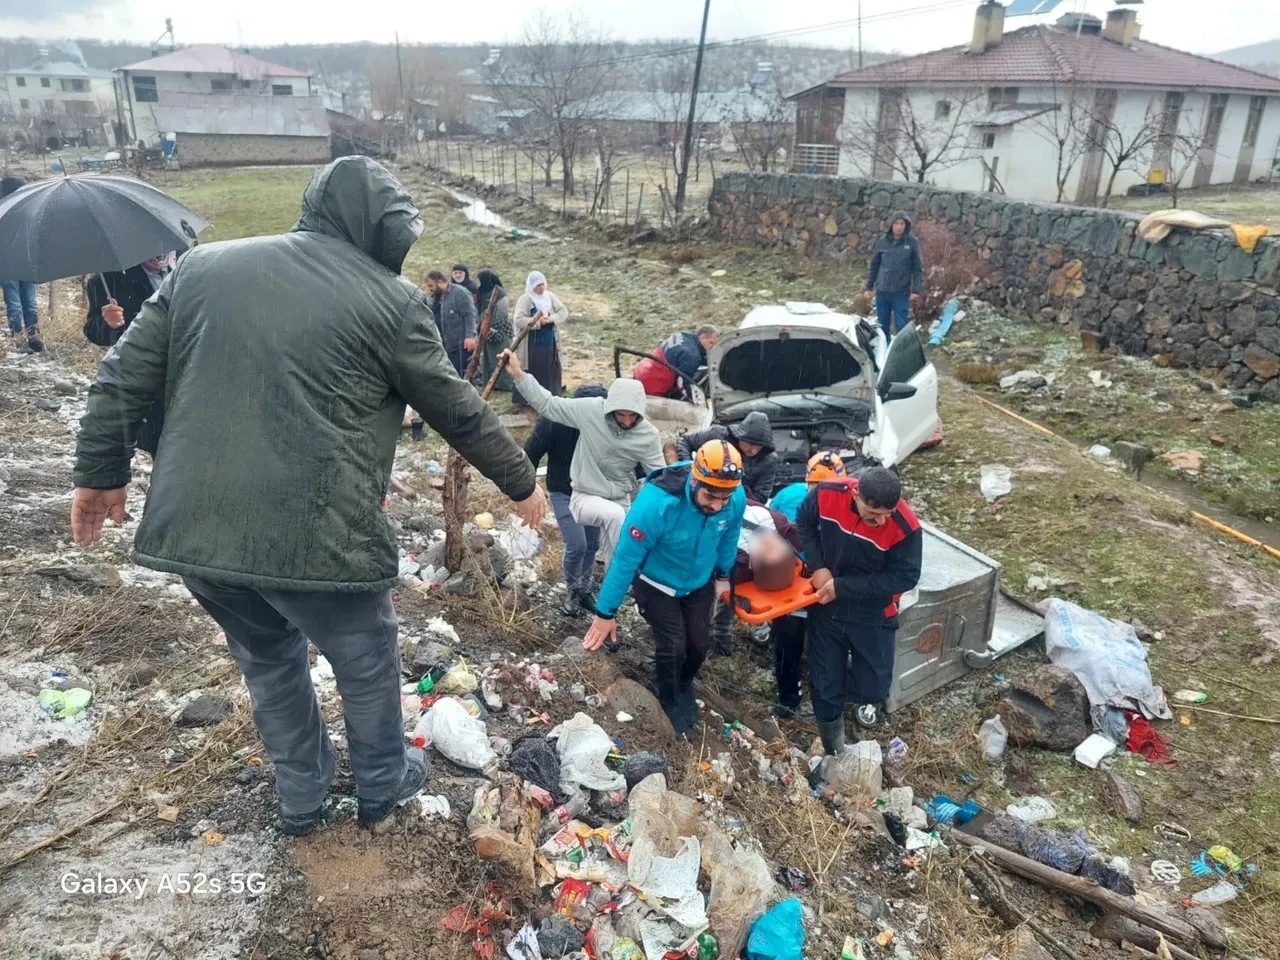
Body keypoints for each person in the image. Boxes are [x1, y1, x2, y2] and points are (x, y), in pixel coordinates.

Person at [70, 157, 548, 836]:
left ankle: (301, 797)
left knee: (268, 660)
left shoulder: (201, 267)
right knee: (366, 656)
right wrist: (522, 481)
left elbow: (121, 377)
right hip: (317, 528)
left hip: (199, 528)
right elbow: (458, 409)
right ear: (381, 229)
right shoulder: (393, 301)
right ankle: (381, 785)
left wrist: (101, 472)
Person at [583, 440, 747, 737]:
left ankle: (683, 685)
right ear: (695, 480)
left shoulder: (734, 498)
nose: (717, 505)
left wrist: (724, 573)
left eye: (724, 498)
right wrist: (605, 612)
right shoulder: (656, 502)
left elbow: (729, 536)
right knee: (673, 646)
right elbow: (625, 559)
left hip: (698, 581)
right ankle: (667, 696)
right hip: (655, 582)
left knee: (699, 644)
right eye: (710, 496)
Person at [796, 467, 921, 752]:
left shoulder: (905, 526)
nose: (881, 521)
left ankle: (848, 685)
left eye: (887, 514)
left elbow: (905, 577)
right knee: (825, 688)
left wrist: (843, 587)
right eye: (873, 513)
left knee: (874, 688)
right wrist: (818, 566)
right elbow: (804, 520)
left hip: (873, 613)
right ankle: (833, 748)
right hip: (827, 608)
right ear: (856, 495)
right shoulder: (827, 493)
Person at [504, 349, 664, 570]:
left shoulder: (648, 435)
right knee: (599, 529)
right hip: (581, 493)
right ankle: (593, 584)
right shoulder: (590, 412)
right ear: (610, 408)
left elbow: (660, 477)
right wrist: (519, 375)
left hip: (618, 497)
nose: (627, 421)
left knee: (619, 546)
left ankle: (610, 584)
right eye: (621, 415)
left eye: (632, 416)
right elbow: (548, 405)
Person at [523, 383, 609, 617]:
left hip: (594, 491)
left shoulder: (610, 426)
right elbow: (531, 453)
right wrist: (526, 490)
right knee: (577, 544)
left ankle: (585, 590)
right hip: (563, 490)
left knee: (591, 544)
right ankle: (572, 590)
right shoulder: (554, 420)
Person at [83, 254, 176, 455]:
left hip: (182, 372)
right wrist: (108, 323)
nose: (159, 254)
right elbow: (92, 330)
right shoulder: (108, 280)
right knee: (157, 443)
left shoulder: (184, 272)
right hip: (140, 376)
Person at [724, 498, 809, 718]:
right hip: (758, 580)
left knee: (793, 629)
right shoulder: (735, 557)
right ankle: (789, 696)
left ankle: (791, 693)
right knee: (788, 633)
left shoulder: (777, 524)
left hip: (798, 578)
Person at [677, 411, 778, 503]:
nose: (754, 451)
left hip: (736, 504)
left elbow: (760, 498)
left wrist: (732, 493)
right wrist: (688, 471)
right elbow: (684, 442)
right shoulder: (717, 435)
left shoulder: (769, 460)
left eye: (759, 447)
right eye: (751, 444)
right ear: (740, 436)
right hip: (700, 492)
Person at [863, 210, 924, 340]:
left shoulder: (912, 242)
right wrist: (869, 287)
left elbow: (918, 268)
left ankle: (902, 350)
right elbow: (874, 266)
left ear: (906, 225)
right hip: (882, 292)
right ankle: (884, 349)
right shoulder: (883, 242)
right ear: (891, 225)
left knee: (901, 326)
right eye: (896, 223)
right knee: (882, 327)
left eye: (902, 224)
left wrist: (916, 290)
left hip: (901, 293)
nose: (899, 227)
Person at [511, 271, 567, 407]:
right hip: (531, 345)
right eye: (537, 286)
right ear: (531, 287)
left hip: (549, 343)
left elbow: (563, 311)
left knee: (549, 370)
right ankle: (528, 400)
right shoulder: (525, 299)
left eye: (542, 284)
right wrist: (537, 322)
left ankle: (550, 398)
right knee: (533, 371)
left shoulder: (550, 297)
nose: (541, 288)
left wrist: (552, 319)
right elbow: (518, 320)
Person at [1, 176, 41, 355]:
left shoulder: (10, 209)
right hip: (18, 263)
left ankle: (26, 338)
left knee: (20, 304)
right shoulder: (26, 209)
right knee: (24, 304)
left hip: (15, 263)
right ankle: (26, 338)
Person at [633, 326, 719, 399]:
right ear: (702, 337)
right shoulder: (691, 355)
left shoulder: (685, 336)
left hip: (641, 371)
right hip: (652, 384)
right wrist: (696, 399)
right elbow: (682, 383)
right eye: (711, 343)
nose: (713, 347)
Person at [425, 268, 478, 376]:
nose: (430, 289)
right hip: (444, 346)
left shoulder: (460, 293)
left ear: (440, 282)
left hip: (460, 346)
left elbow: (470, 314)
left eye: (431, 286)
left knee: (463, 375)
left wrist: (470, 336)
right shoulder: (435, 298)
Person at [768, 451, 846, 522]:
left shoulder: (788, 493)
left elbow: (770, 515)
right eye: (815, 484)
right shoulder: (847, 505)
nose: (821, 491)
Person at [475, 269, 513, 392]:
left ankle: (505, 384)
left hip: (500, 331)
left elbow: (502, 314)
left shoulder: (500, 294)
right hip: (486, 331)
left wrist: (492, 327)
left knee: (500, 358)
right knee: (489, 359)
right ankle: (491, 382)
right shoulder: (482, 292)